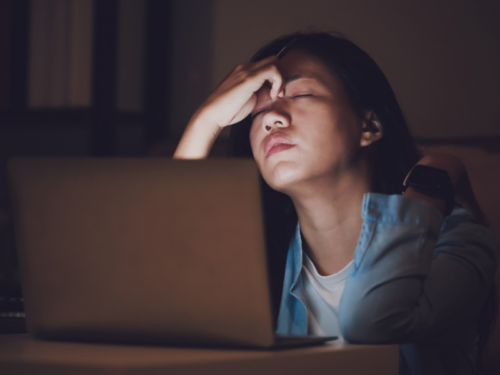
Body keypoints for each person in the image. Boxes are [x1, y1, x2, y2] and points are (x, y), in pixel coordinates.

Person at [174, 32, 499, 374]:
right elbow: (162, 276)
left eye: (300, 93)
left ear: (370, 125)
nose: (272, 118)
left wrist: (432, 177)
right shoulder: (262, 257)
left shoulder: (461, 242)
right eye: (260, 110)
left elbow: (372, 321)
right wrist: (206, 120)